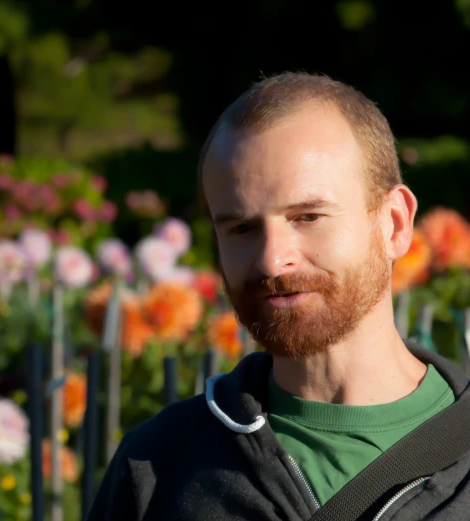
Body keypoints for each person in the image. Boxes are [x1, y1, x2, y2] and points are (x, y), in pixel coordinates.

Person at [85, 72, 470, 520]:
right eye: (242, 228)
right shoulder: (158, 467)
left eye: (307, 217)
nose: (271, 260)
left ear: (395, 225)